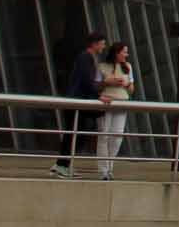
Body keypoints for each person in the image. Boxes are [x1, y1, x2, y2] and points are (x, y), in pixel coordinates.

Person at [51, 31, 108, 178]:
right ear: (94, 43)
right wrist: (99, 95)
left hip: (79, 101)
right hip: (77, 102)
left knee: (76, 133)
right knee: (76, 134)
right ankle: (61, 166)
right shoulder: (85, 57)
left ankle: (62, 165)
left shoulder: (89, 58)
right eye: (102, 43)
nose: (104, 46)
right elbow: (86, 80)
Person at [94, 41, 135, 181]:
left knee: (117, 136)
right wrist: (107, 82)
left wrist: (126, 83)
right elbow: (96, 86)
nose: (126, 54)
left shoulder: (128, 67)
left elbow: (132, 89)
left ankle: (110, 167)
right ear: (116, 53)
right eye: (124, 51)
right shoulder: (102, 67)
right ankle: (103, 170)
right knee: (104, 135)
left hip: (122, 102)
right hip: (106, 102)